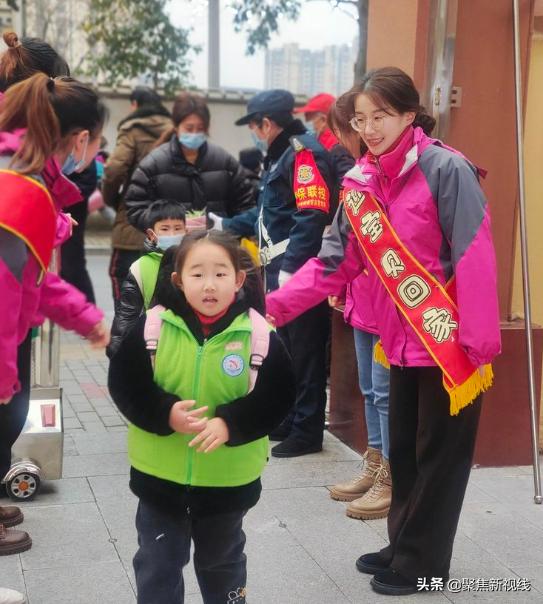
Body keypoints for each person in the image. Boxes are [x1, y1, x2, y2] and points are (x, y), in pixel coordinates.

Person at [266, 67, 500, 595]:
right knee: (405, 454)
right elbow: (334, 264)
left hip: (449, 346)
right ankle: (401, 546)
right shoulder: (361, 181)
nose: (370, 129)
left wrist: (479, 341)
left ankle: (424, 565)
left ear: (409, 115)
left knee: (440, 461)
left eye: (382, 117)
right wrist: (273, 306)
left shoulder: (446, 169)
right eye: (362, 119)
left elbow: (475, 254)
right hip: (398, 340)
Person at [108, 230, 295, 604]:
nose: (209, 286)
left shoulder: (258, 334)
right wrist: (164, 412)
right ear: (177, 279)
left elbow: (279, 397)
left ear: (240, 279)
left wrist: (232, 423)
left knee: (223, 564)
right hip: (160, 481)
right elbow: (125, 384)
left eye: (221, 274)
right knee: (157, 565)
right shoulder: (152, 329)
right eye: (197, 274)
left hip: (227, 485)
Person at [0, 71, 110, 556]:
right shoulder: (20, 189)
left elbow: (35, 282)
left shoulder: (23, 172)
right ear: (81, 138)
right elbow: (5, 294)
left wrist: (89, 321)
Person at [219, 89, 335, 459]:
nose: (254, 133)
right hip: (281, 273)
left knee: (305, 354)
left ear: (267, 124)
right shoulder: (283, 155)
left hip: (299, 275)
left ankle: (307, 430)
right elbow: (268, 215)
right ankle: (289, 418)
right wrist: (222, 224)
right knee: (284, 351)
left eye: (254, 126)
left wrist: (293, 269)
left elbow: (312, 212)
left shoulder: (303, 154)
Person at [125, 92, 255, 236]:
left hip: (215, 247)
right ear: (175, 126)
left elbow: (245, 204)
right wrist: (166, 226)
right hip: (170, 250)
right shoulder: (153, 164)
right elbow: (135, 208)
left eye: (200, 129)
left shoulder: (225, 162)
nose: (194, 134)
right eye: (189, 128)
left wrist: (224, 226)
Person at [102, 86, 172, 309]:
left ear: (135, 105)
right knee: (162, 305)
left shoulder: (132, 130)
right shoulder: (177, 133)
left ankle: (124, 343)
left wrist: (114, 200)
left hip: (131, 228)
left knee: (126, 303)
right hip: (170, 229)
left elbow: (113, 170)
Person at [108, 199, 186, 357]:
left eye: (178, 228)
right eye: (165, 229)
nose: (172, 234)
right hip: (155, 345)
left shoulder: (196, 262)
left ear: (186, 230)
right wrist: (117, 349)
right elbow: (127, 314)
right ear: (152, 234)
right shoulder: (141, 267)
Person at [60, 160, 98, 302]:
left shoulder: (82, 159)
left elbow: (86, 186)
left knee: (72, 268)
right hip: (59, 220)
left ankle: (90, 317)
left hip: (72, 220)